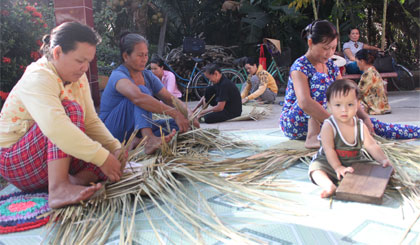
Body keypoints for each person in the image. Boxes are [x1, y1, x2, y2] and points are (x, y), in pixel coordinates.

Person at [0, 22, 124, 209]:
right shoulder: (38, 76)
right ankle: (59, 188)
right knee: (69, 112)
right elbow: (56, 127)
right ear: (57, 53)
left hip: (45, 161)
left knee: (104, 155)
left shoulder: (77, 77)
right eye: (80, 61)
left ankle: (74, 181)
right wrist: (102, 158)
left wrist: (115, 150)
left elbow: (90, 121)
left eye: (88, 62)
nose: (85, 68)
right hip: (15, 162)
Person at [279, 20, 420, 149]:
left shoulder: (331, 65)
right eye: (325, 48)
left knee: (374, 127)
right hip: (295, 123)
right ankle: (312, 137)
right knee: (320, 81)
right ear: (310, 43)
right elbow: (305, 103)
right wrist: (339, 125)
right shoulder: (300, 66)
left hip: (327, 121)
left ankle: (417, 131)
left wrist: (363, 118)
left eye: (333, 48)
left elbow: (346, 94)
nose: (329, 53)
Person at [99, 32, 198, 154]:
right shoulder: (118, 75)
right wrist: (175, 113)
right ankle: (149, 139)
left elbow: (170, 98)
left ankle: (138, 140)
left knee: (179, 125)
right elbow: (138, 98)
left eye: (146, 55)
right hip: (113, 130)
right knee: (142, 91)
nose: (144, 59)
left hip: (135, 129)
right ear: (126, 56)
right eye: (140, 55)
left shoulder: (148, 75)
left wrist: (188, 114)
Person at [309, 79, 392, 198]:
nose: (344, 109)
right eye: (338, 105)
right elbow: (329, 150)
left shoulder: (360, 126)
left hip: (355, 161)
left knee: (376, 169)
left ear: (358, 104)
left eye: (350, 104)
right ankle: (328, 185)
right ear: (329, 105)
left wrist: (383, 160)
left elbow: (371, 145)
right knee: (316, 170)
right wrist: (338, 167)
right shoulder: (329, 126)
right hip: (328, 162)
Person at [355, 49, 391, 115]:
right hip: (381, 104)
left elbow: (360, 92)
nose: (357, 65)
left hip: (375, 106)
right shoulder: (373, 70)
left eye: (357, 62)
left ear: (362, 61)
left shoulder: (367, 74)